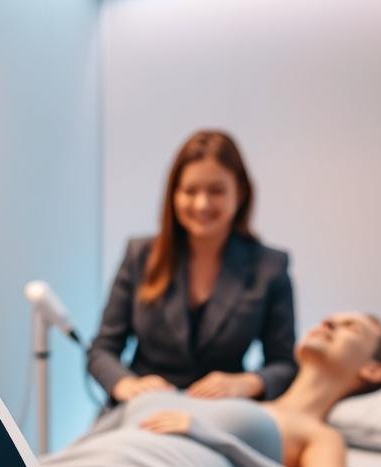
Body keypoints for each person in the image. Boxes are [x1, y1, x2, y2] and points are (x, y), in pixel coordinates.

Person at [129, 312, 381, 467]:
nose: (328, 322)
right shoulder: (238, 399)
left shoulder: (318, 434)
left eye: (350, 327)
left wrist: (226, 445)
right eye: (329, 318)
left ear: (373, 370)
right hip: (119, 459)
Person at [88, 129, 297, 405]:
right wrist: (127, 385)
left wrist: (246, 383)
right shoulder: (139, 255)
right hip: (142, 410)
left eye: (216, 191)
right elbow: (102, 350)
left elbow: (284, 364)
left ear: (241, 193)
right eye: (190, 191)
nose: (202, 204)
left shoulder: (270, 267)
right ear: (173, 195)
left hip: (222, 414)